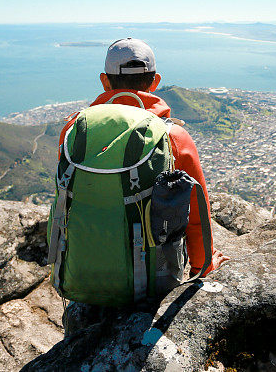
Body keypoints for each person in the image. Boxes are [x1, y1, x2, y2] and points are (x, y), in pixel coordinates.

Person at [59, 38, 229, 332]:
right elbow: (196, 214)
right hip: (153, 282)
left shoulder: (74, 130)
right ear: (155, 82)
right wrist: (204, 265)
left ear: (104, 81)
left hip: (80, 274)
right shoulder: (173, 136)